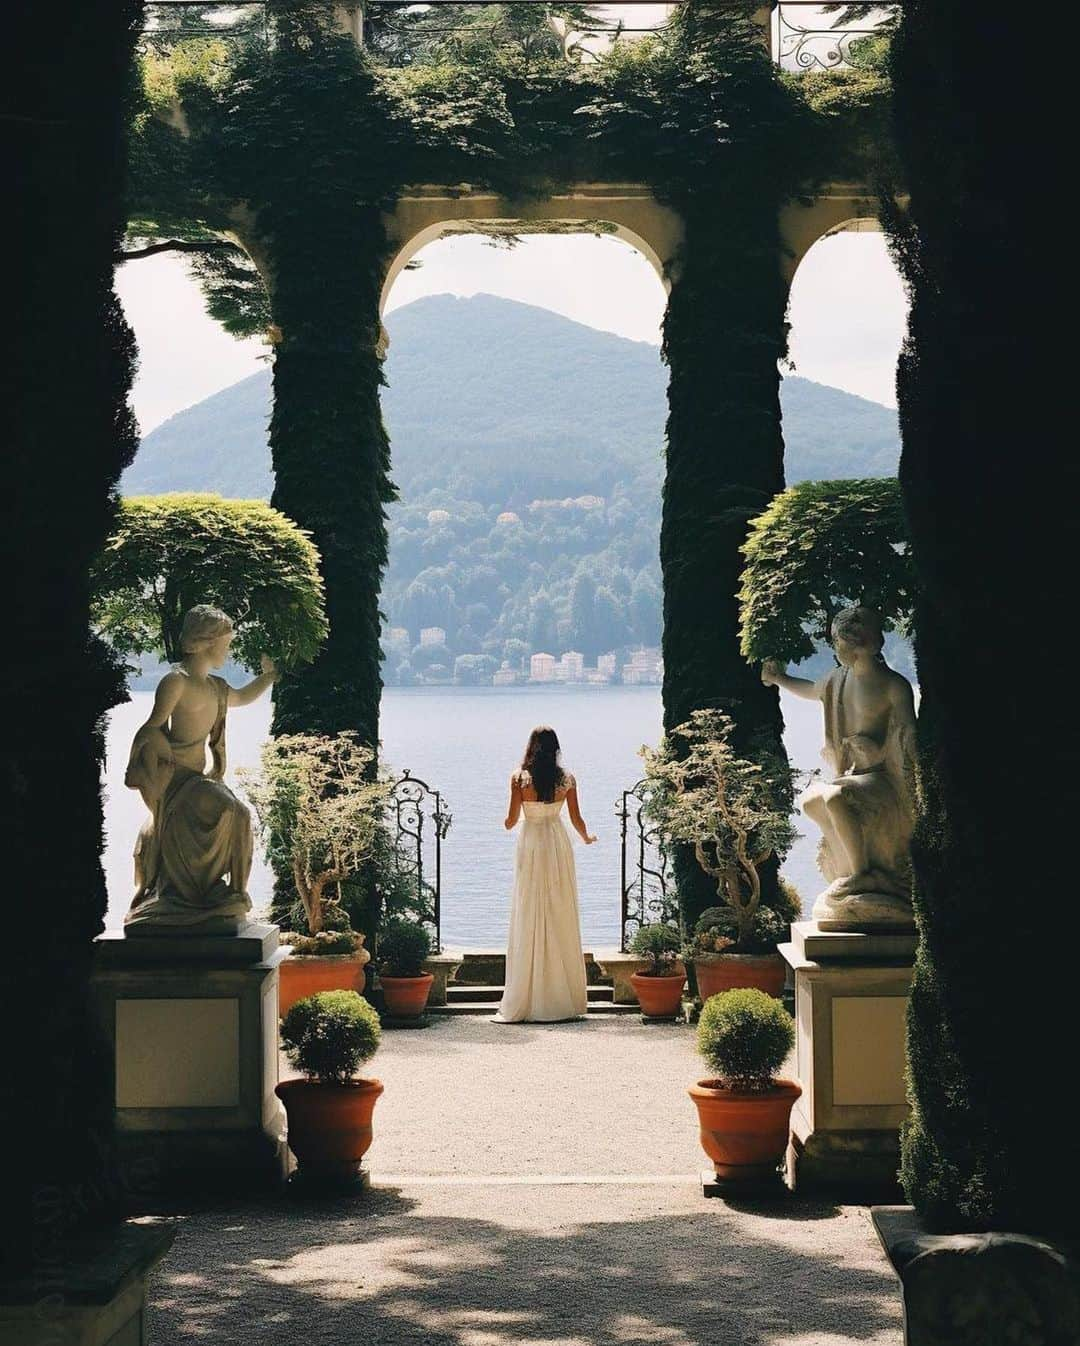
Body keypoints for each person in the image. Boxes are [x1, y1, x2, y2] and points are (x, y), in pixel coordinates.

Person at [123, 604, 277, 933]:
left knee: (238, 812)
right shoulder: (175, 682)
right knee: (231, 808)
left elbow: (242, 697)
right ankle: (204, 892)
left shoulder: (216, 688)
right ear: (207, 641)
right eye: (226, 642)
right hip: (176, 782)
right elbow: (151, 730)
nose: (229, 649)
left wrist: (268, 677)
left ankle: (230, 894)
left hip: (198, 779)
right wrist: (162, 757)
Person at [762, 604, 916, 926]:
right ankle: (849, 868)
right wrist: (779, 678)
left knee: (834, 798)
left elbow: (909, 740)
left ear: (854, 643)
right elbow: (811, 690)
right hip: (854, 777)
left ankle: (864, 875)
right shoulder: (838, 679)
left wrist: (879, 751)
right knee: (810, 802)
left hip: (883, 779)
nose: (835, 648)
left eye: (837, 642)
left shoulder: (893, 685)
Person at [493, 726, 596, 1023]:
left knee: (529, 910)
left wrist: (507, 817)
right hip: (557, 842)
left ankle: (527, 994)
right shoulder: (566, 779)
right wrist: (587, 838)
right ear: (555, 749)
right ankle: (562, 997)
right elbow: (576, 818)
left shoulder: (519, 779)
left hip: (532, 843)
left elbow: (511, 822)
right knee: (559, 909)